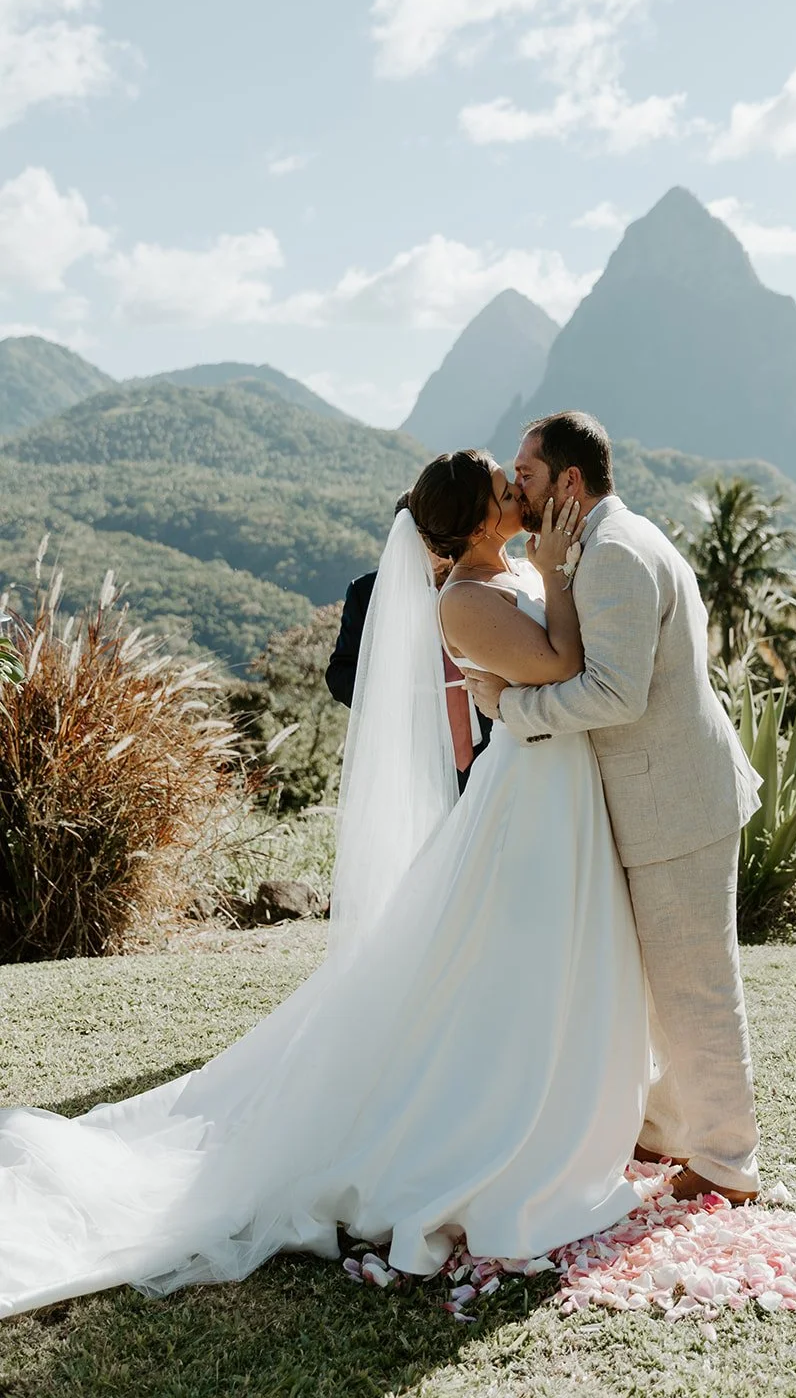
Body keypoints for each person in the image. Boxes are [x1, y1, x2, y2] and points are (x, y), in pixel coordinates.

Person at [0, 450, 649, 1319]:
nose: (515, 494)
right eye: (503, 490)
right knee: (508, 958)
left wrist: (552, 569)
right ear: (473, 520)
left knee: (538, 957)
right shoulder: (463, 598)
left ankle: (562, 1108)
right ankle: (499, 1123)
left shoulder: (512, 568)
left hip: (555, 788)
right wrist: (564, 573)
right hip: (528, 793)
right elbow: (564, 664)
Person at [466, 411, 763, 1205]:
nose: (515, 489)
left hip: (673, 803)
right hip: (662, 796)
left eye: (525, 476)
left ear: (568, 480)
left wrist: (508, 708)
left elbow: (614, 694)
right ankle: (668, 1127)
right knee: (665, 983)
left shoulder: (615, 555)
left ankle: (729, 1161)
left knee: (697, 985)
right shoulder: (604, 544)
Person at [325, 493, 492, 792]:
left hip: (488, 745)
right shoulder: (366, 593)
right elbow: (340, 675)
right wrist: (398, 696)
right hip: (411, 755)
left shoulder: (474, 582)